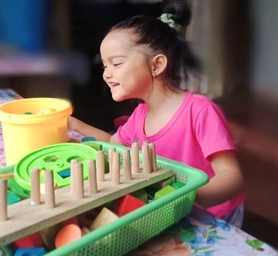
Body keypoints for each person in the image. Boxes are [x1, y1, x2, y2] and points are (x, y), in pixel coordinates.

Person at [68, 0, 245, 227]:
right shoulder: (140, 114)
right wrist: (73, 124)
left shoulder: (199, 111)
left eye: (116, 63)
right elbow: (114, 142)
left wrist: (190, 197)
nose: (107, 74)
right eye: (105, 66)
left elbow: (232, 176)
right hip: (170, 210)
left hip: (213, 217)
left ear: (156, 65)